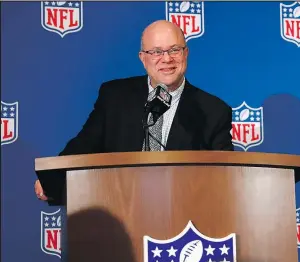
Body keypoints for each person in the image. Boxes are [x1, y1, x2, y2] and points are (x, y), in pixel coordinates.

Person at [35, 20, 234, 201]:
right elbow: (84, 144)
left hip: (183, 216)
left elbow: (224, 178)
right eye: (156, 51)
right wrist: (52, 180)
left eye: (174, 50)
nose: (166, 59)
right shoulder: (114, 97)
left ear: (186, 53)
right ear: (142, 58)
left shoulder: (213, 111)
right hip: (120, 210)